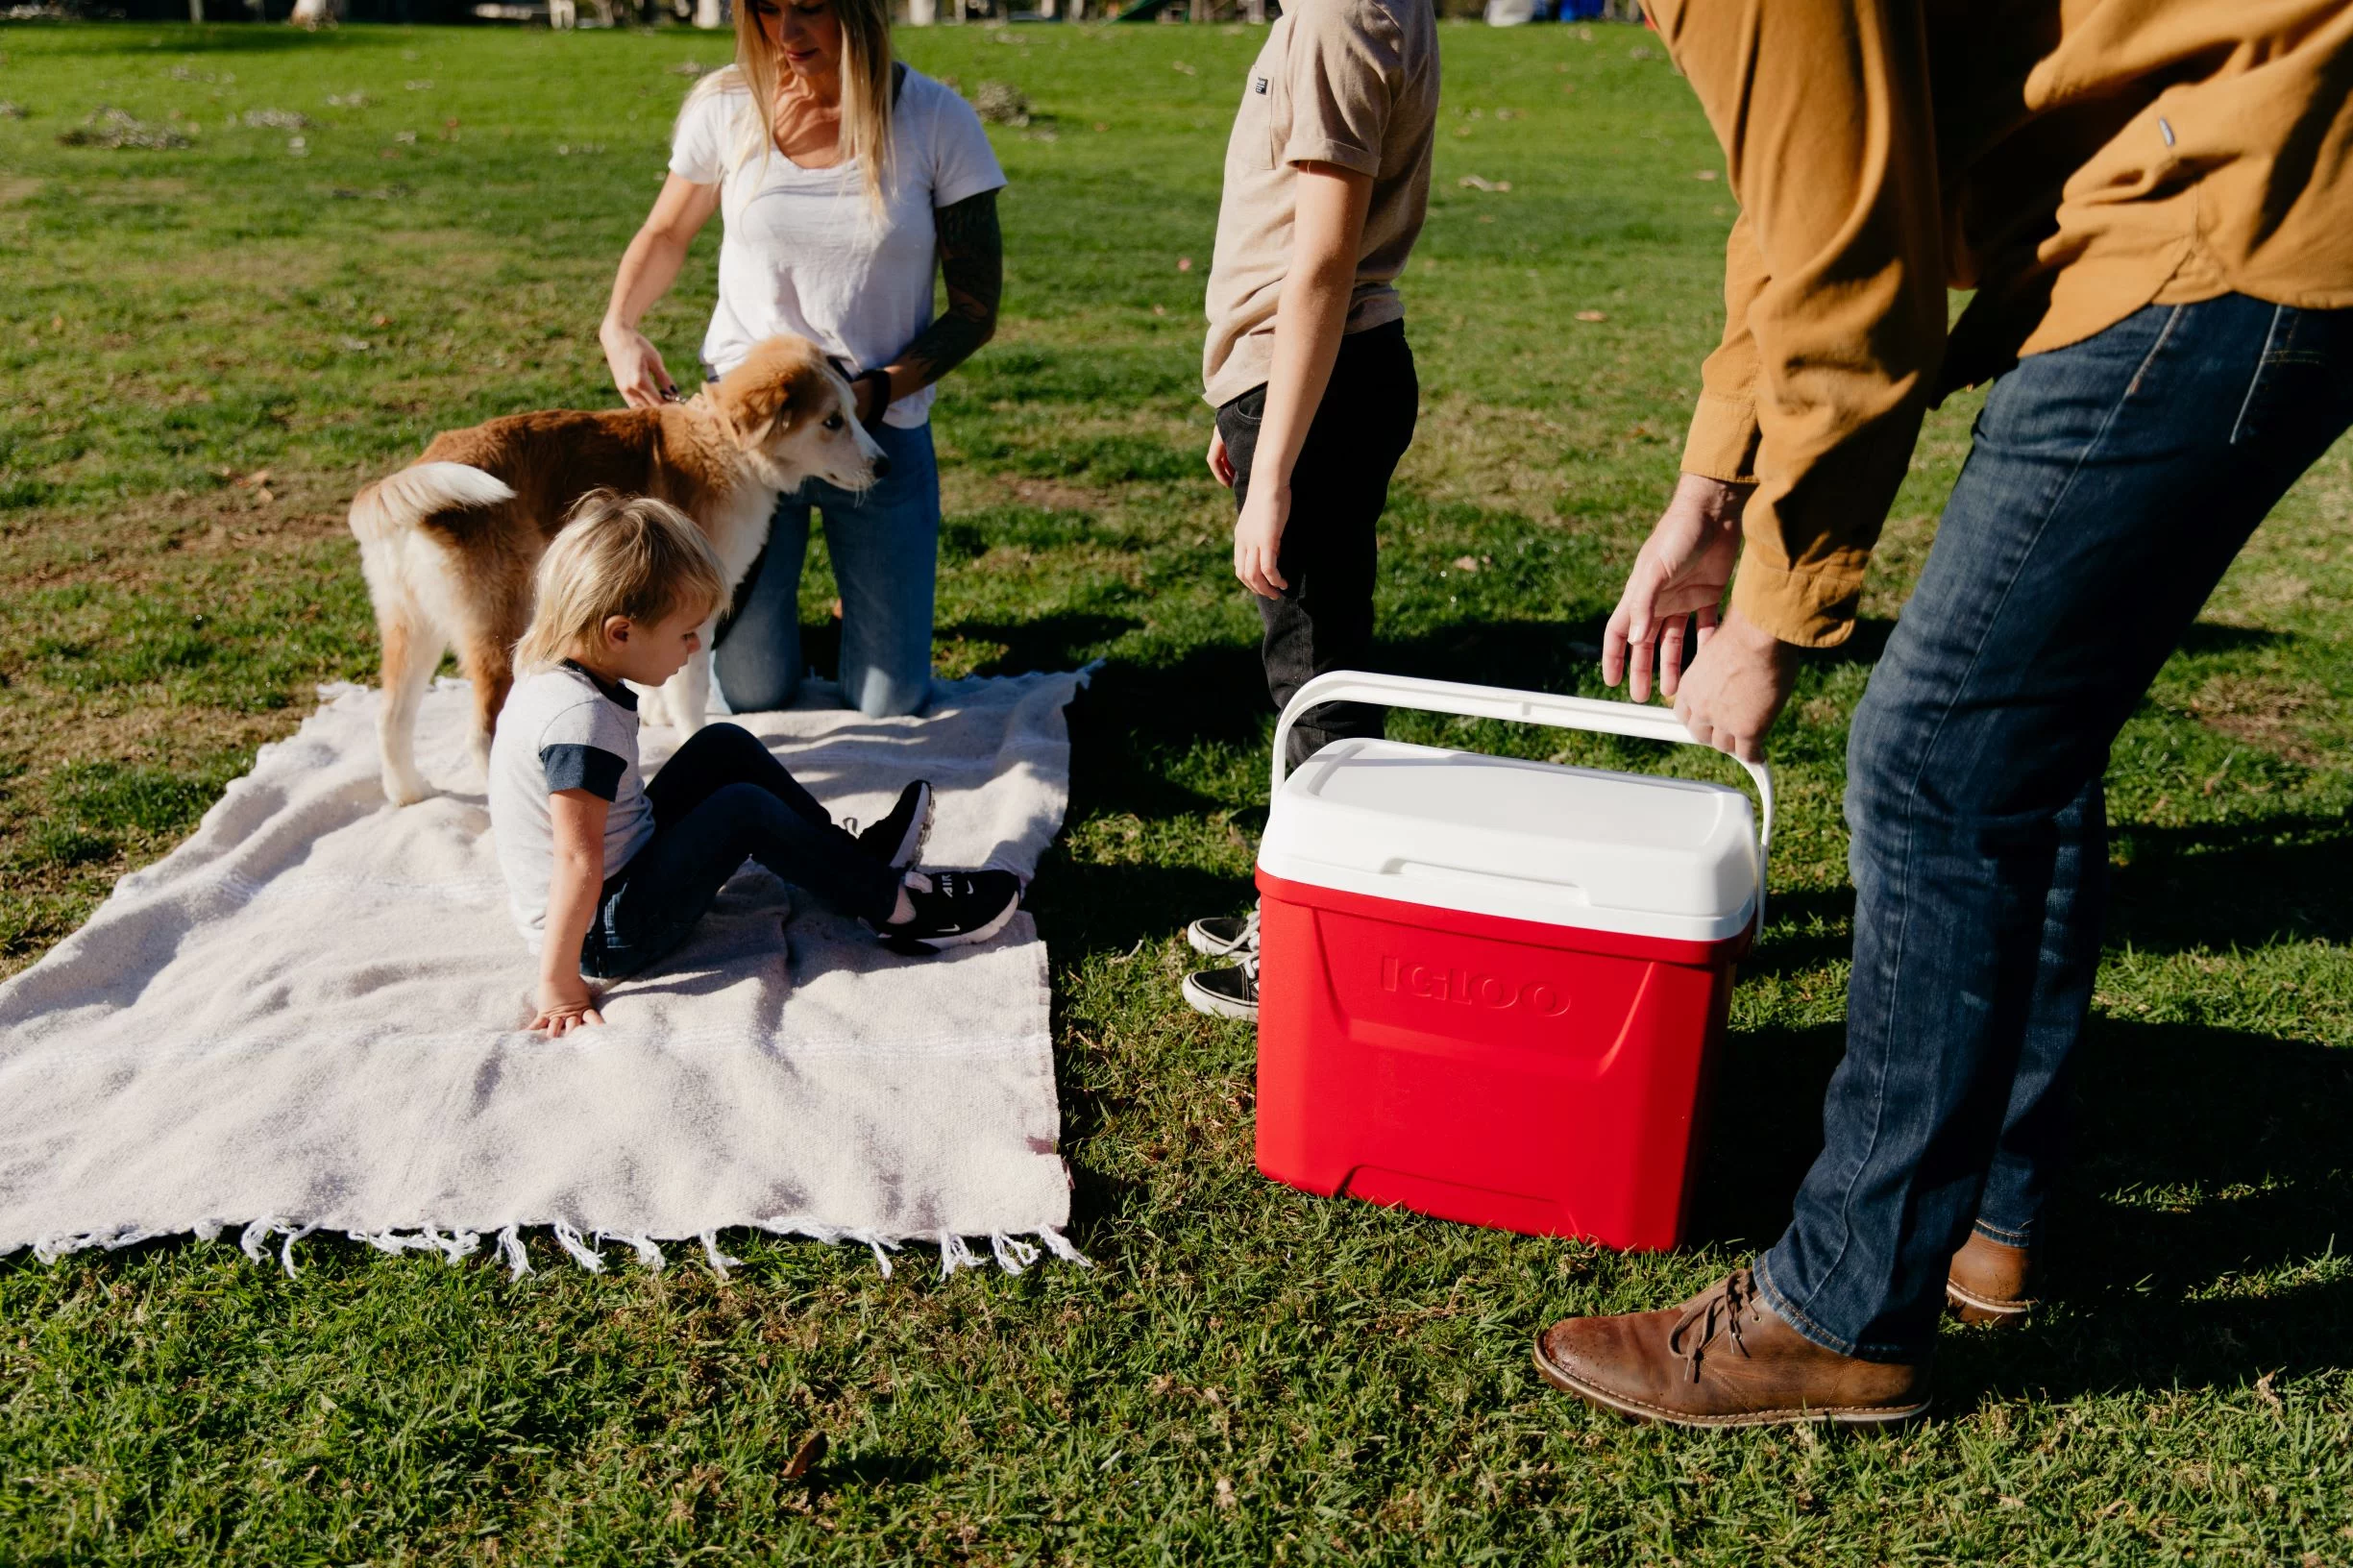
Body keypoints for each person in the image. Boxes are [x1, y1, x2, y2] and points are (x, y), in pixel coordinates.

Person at [1532, 0, 2353, 1427]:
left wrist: (1774, 621)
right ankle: (1994, 1211)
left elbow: (1858, 271)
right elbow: (1808, 191)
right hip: (2211, 172)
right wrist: (1708, 488)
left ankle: (1841, 1308)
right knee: (2015, 749)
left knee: (1935, 760)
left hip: (2228, 199)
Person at [598, 0, 1005, 719]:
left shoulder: (937, 121)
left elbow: (975, 310)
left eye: (810, 9)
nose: (786, 35)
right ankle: (785, 628)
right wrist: (619, 324)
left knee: (891, 702)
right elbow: (666, 232)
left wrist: (875, 393)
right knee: (751, 691)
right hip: (744, 439)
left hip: (877, 428)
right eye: (767, 11)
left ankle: (861, 625)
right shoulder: (728, 105)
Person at [488, 494, 1024, 1040]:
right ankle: (900, 910)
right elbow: (577, 860)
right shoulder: (580, 722)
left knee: (722, 743)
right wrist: (557, 982)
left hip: (617, 879)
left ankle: (851, 859)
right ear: (620, 632)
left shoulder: (556, 670)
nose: (697, 647)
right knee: (741, 811)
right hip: (604, 935)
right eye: (685, 633)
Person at [1180, 0, 1440, 1022]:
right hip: (1301, 375)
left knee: (1315, 679)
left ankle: (1311, 946)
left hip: (1322, 381)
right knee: (1324, 663)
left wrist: (1276, 458)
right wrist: (1245, 404)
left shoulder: (1338, 15)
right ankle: (1308, 909)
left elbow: (1326, 255)